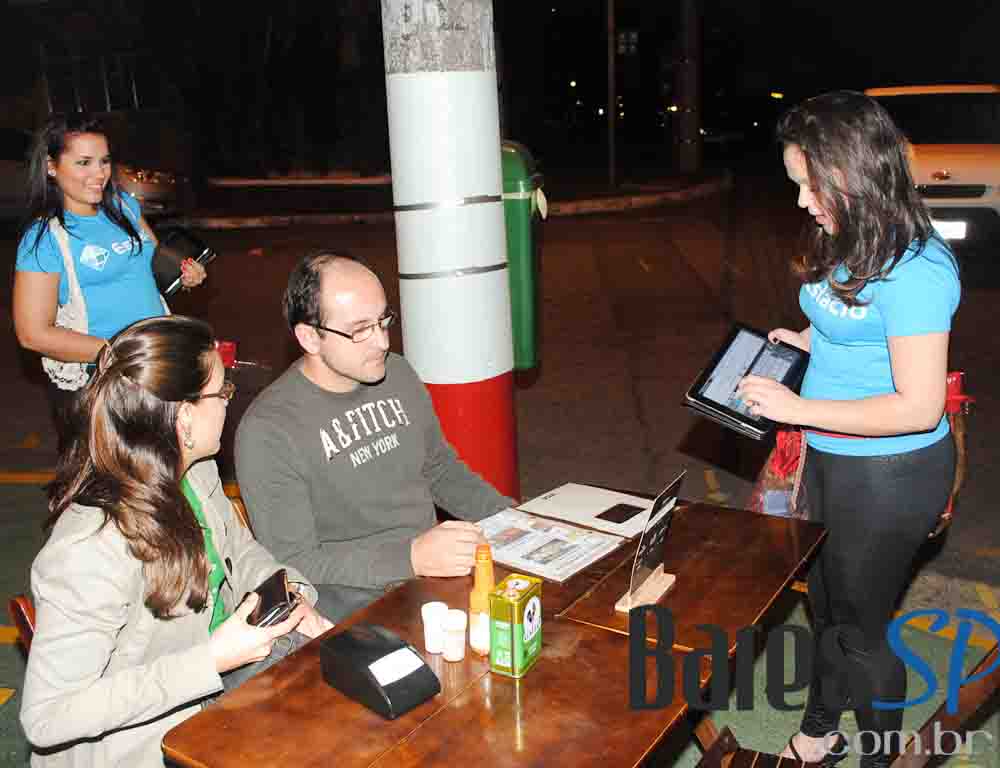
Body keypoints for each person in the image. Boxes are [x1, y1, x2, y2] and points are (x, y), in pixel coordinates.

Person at [737, 91, 960, 767]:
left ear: (853, 174)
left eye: (809, 185)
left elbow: (918, 407)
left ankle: (881, 756)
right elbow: (852, 325)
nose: (802, 201)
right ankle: (819, 731)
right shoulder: (851, 235)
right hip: (833, 457)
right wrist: (803, 341)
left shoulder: (917, 270)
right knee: (829, 606)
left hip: (891, 472)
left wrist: (797, 409)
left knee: (861, 633)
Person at [20, 315, 333, 767]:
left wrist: (290, 595)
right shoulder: (90, 547)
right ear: (185, 416)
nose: (229, 402)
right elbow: (48, 717)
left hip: (218, 690)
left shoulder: (195, 472)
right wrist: (211, 660)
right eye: (222, 392)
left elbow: (240, 550)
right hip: (146, 744)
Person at [235, 252, 514, 621]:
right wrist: (410, 558)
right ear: (309, 337)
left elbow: (440, 469)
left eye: (383, 321)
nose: (381, 341)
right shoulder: (269, 430)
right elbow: (294, 562)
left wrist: (515, 521)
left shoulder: (397, 373)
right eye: (360, 330)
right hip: (352, 601)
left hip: (431, 574)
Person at [12, 112, 207, 441]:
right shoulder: (44, 240)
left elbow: (151, 272)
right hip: (104, 382)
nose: (99, 173)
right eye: (83, 163)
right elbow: (32, 334)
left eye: (104, 161)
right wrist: (118, 352)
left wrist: (184, 276)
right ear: (51, 167)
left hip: (155, 366)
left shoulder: (123, 207)